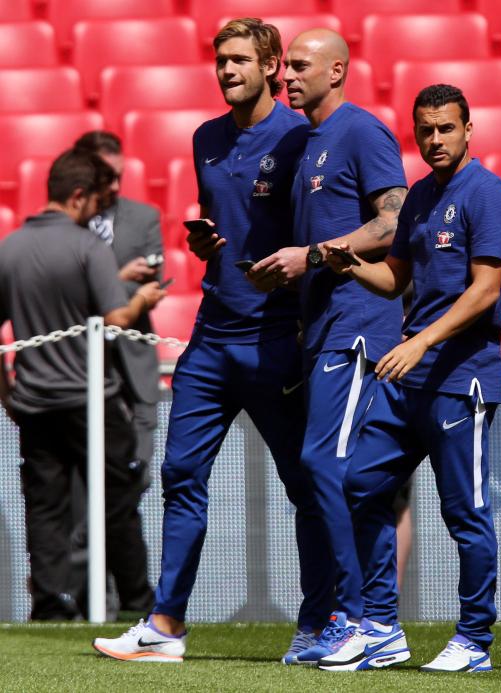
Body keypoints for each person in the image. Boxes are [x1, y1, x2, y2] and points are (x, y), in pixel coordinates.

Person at [92, 18, 327, 663]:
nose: (227, 70)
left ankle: (317, 624)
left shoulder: (304, 138)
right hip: (212, 333)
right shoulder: (206, 139)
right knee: (179, 472)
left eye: (241, 60)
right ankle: (166, 626)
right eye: (220, 60)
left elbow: (317, 233)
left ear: (272, 63)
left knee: (305, 485)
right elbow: (224, 222)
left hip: (277, 337)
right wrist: (205, 243)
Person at [321, 83, 501, 673]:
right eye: (425, 129)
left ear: (468, 129)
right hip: (410, 377)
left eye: (446, 129)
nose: (434, 140)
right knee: (359, 482)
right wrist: (352, 264)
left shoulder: (490, 196)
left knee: (466, 513)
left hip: (463, 378)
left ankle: (474, 640)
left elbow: (484, 292)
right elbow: (397, 280)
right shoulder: (417, 200)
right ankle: (381, 626)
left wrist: (422, 340)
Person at [247, 28, 409, 667]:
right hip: (321, 330)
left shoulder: (361, 131)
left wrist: (312, 254)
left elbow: (394, 220)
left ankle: (357, 616)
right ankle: (371, 621)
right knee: (342, 476)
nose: (287, 76)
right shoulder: (306, 141)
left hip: (359, 325)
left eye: (302, 67)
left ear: (338, 70)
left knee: (325, 465)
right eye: (286, 67)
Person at [0, 149, 166, 621]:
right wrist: (144, 298)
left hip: (34, 402)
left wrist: (7, 393)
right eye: (95, 202)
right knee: (118, 501)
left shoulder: (8, 248)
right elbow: (115, 319)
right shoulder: (86, 246)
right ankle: (137, 604)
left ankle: (50, 607)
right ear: (77, 197)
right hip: (91, 400)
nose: (99, 212)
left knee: (46, 507)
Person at [72, 130, 164, 616]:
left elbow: (156, 275)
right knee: (88, 492)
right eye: (103, 178)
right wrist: (116, 278)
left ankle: (125, 596)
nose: (112, 187)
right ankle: (98, 598)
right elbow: (64, 287)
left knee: (133, 484)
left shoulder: (144, 217)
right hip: (81, 379)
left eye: (118, 178)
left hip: (135, 373)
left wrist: (109, 282)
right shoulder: (69, 224)